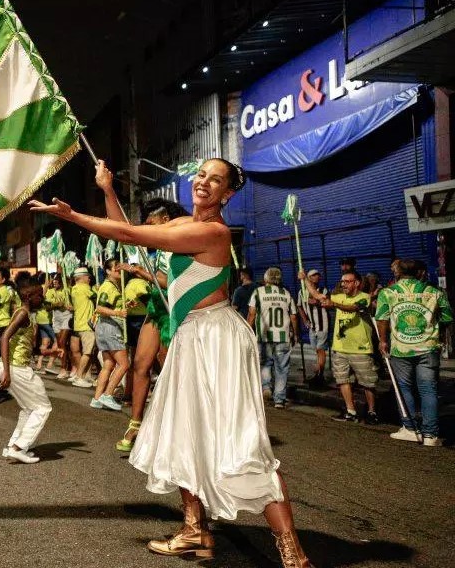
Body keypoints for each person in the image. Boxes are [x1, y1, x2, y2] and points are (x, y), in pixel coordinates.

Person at [31, 157, 315, 567]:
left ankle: (293, 552)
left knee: (240, 443)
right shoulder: (183, 225)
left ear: (227, 194)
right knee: (184, 433)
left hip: (215, 338)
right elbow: (133, 239)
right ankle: (194, 531)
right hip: (191, 336)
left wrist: (72, 214)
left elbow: (127, 231)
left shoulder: (212, 231)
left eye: (215, 180)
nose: (204, 182)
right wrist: (108, 190)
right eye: (201, 175)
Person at [114, 199, 188, 452]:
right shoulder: (157, 249)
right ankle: (135, 423)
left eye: (151, 223)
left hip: (175, 311)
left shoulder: (180, 246)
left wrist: (139, 272)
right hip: (157, 308)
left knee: (170, 369)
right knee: (140, 364)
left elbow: (170, 283)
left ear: (165, 219)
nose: (147, 228)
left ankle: (177, 426)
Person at [375, 259, 452, 446]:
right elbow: (447, 317)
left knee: (405, 387)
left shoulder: (388, 293)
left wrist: (383, 341)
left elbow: (381, 318)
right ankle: (430, 435)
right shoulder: (435, 292)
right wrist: (438, 332)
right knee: (429, 390)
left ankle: (410, 428)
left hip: (401, 348)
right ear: (419, 273)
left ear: (398, 273)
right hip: (428, 346)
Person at [0, 277, 63, 464]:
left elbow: (26, 346)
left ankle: (13, 446)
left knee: (28, 408)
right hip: (16, 368)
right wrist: (8, 373)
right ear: (28, 296)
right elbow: (4, 338)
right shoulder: (22, 314)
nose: (42, 299)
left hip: (14, 366)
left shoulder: (25, 313)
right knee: (43, 407)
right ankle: (20, 447)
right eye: (39, 296)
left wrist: (51, 351)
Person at [311, 271, 379, 424]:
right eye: (342, 282)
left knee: (367, 382)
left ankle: (372, 411)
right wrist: (305, 280)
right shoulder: (339, 296)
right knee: (342, 379)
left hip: (360, 349)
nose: (343, 284)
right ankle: (351, 411)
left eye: (347, 281)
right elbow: (317, 296)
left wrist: (334, 304)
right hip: (340, 347)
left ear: (356, 283)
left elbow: (353, 308)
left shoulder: (364, 297)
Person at [247, 267, 298, 409]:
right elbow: (293, 316)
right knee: (282, 368)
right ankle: (279, 400)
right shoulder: (286, 294)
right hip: (283, 337)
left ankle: (266, 388)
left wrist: (247, 331)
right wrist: (296, 334)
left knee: (265, 364)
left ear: (266, 279)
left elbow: (252, 314)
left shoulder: (258, 293)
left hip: (264, 336)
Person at [91, 258, 129, 410]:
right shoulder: (108, 287)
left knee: (108, 364)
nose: (119, 270)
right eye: (116, 268)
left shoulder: (113, 286)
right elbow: (99, 308)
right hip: (109, 328)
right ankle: (108, 395)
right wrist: (117, 312)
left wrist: (123, 308)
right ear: (108, 271)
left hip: (103, 328)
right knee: (124, 364)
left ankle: (97, 398)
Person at [298, 269, 330, 388]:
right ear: (309, 278)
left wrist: (313, 301)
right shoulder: (302, 292)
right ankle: (319, 373)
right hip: (312, 326)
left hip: (323, 325)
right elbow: (300, 306)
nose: (317, 277)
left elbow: (319, 300)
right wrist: (304, 319)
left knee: (320, 350)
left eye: (318, 274)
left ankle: (320, 374)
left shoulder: (324, 290)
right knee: (317, 350)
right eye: (313, 275)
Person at [68, 267, 97, 387]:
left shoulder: (73, 289)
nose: (89, 278)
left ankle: (86, 375)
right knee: (88, 352)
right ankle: (79, 376)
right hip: (87, 325)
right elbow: (97, 296)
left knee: (88, 351)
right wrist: (97, 290)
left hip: (79, 324)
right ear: (81, 277)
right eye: (87, 276)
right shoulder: (85, 288)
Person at [46, 274, 73, 379]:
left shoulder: (68, 290)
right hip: (56, 318)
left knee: (61, 342)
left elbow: (72, 302)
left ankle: (63, 368)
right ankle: (68, 366)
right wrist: (57, 305)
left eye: (57, 280)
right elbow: (47, 307)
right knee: (62, 345)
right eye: (54, 280)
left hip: (67, 316)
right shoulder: (50, 291)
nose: (54, 282)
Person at [33, 275, 58, 374]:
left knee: (45, 343)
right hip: (46, 320)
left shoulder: (42, 288)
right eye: (52, 278)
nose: (54, 280)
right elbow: (41, 299)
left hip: (41, 319)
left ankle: (39, 365)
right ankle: (50, 365)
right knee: (57, 342)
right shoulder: (44, 288)